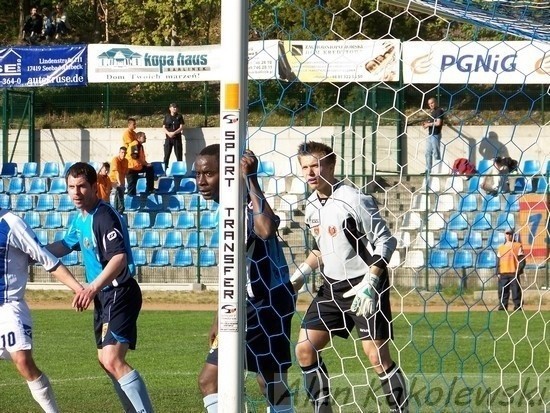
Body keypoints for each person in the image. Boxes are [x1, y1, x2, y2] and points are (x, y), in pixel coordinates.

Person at [291, 141, 408, 413]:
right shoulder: (310, 205)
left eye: (315, 166)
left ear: (331, 166)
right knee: (305, 349)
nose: (309, 173)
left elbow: (386, 242)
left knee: (377, 357)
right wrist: (298, 277)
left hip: (365, 286)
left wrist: (371, 282)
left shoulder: (355, 199)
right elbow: (322, 247)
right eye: (304, 167)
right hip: (331, 288)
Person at [46, 162, 154, 413]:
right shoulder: (80, 217)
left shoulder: (103, 216)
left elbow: (119, 258)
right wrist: (32, 251)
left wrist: (91, 288)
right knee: (105, 362)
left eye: (82, 186)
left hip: (119, 291)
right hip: (104, 296)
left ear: (95, 187)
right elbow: (64, 245)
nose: (76, 192)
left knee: (112, 359)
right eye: (71, 187)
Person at [195, 144, 295, 413]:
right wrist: (220, 313)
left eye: (208, 174)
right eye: (197, 175)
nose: (201, 181)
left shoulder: (246, 202)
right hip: (243, 303)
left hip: (270, 300)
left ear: (228, 173)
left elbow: (265, 230)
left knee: (269, 382)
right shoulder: (223, 208)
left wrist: (250, 177)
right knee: (209, 380)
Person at [0, 208, 90, 413]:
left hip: (9, 306)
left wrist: (78, 289)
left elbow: (46, 258)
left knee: (23, 361)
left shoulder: (12, 223)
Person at [496, 228, 525, 311]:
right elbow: (498, 261)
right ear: (505, 235)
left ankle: (518, 306)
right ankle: (502, 307)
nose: (508, 236)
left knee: (516, 291)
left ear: (513, 235)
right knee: (502, 291)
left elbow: (522, 260)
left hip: (513, 272)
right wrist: (498, 272)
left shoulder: (517, 246)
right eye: (507, 234)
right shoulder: (501, 248)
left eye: (510, 234)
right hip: (503, 273)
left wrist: (518, 271)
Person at [126, 132, 155, 196]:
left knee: (150, 168)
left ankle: (150, 188)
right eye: (144, 137)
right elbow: (135, 156)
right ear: (139, 138)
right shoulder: (135, 144)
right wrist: (145, 164)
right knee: (131, 186)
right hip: (131, 168)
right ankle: (129, 202)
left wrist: (146, 164)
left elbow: (141, 158)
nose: (145, 138)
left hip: (137, 167)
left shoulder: (140, 145)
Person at [422, 97, 444, 173]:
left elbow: (438, 123)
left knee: (436, 153)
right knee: (427, 153)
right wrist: (426, 124)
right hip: (430, 134)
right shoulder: (432, 112)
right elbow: (432, 122)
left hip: (435, 135)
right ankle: (428, 170)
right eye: (429, 104)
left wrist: (429, 124)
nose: (430, 105)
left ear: (436, 102)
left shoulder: (439, 111)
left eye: (432, 103)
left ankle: (437, 170)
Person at [162, 103, 185, 170]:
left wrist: (174, 132)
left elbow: (182, 127)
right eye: (173, 107)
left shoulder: (179, 116)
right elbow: (163, 127)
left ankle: (179, 170)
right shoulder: (167, 116)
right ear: (170, 108)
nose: (175, 109)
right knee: (166, 155)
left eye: (176, 107)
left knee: (179, 155)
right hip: (168, 139)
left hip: (177, 139)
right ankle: (165, 170)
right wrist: (168, 133)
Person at [110, 146, 129, 214]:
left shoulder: (126, 161)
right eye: (122, 152)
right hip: (114, 181)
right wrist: (119, 183)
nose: (123, 154)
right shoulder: (115, 160)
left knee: (121, 196)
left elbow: (126, 172)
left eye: (125, 153)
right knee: (116, 193)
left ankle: (120, 210)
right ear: (119, 152)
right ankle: (115, 210)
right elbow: (116, 172)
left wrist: (124, 183)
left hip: (121, 181)